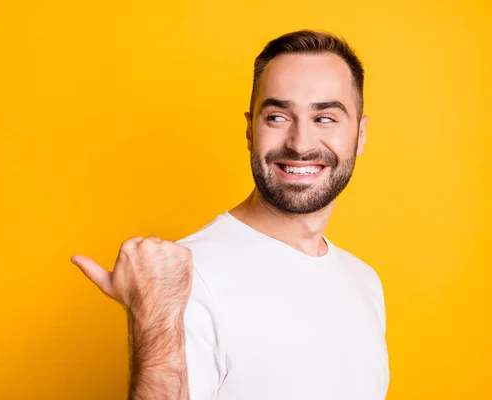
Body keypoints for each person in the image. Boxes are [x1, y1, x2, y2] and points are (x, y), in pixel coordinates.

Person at [71, 29, 389, 400]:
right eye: (277, 117)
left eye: (325, 119)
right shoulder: (185, 281)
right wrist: (156, 315)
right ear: (250, 131)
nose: (300, 143)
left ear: (361, 134)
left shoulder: (364, 282)